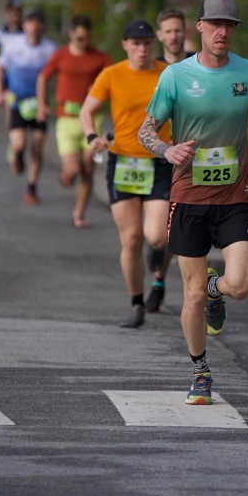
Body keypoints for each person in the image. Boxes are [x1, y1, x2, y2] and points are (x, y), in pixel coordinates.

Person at [138, 0, 248, 406]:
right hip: (189, 197)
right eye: (215, 24)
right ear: (199, 27)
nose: (222, 32)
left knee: (241, 285)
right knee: (193, 295)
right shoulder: (175, 76)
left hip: (234, 195)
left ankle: (218, 290)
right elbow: (146, 131)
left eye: (229, 25)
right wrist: (167, 150)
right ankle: (200, 372)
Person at [79, 19, 172, 329]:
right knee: (131, 238)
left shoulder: (167, 73)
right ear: (125, 45)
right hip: (123, 163)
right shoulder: (111, 74)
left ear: (153, 45)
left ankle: (158, 254)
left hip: (159, 161)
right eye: (136, 44)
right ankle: (136, 304)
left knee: (157, 235)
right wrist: (92, 137)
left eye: (146, 44)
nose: (142, 49)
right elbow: (87, 110)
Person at [36, 15, 111, 228]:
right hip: (66, 119)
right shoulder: (60, 55)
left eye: (86, 38)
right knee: (73, 169)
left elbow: (114, 80)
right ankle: (66, 172)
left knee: (88, 168)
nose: (83, 42)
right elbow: (43, 77)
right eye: (79, 38)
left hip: (91, 119)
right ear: (71, 34)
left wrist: (99, 88)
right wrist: (41, 104)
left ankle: (79, 213)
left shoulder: (99, 58)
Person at [0, 10, 57, 205]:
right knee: (19, 143)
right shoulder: (13, 45)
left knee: (37, 147)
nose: (34, 27)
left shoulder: (49, 49)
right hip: (17, 101)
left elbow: (57, 75)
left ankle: (31, 186)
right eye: (30, 23)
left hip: (39, 103)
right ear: (24, 25)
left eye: (38, 23)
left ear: (42, 26)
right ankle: (17, 153)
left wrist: (52, 99)